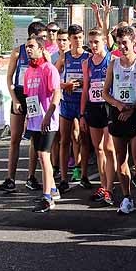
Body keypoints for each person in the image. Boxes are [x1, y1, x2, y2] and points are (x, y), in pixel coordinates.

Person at [104, 25, 136, 215]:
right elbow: (105, 92)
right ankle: (127, 198)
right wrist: (117, 105)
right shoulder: (113, 63)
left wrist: (132, 107)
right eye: (119, 43)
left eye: (125, 43)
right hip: (118, 114)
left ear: (133, 42)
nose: (122, 47)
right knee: (120, 158)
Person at [0, 21, 48, 192]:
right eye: (42, 37)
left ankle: (31, 176)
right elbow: (9, 79)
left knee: (34, 138)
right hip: (19, 95)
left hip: (34, 97)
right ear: (32, 36)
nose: (45, 40)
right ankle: (10, 178)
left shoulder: (44, 53)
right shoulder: (18, 52)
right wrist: (15, 99)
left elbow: (48, 75)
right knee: (15, 138)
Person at [18, 35, 62, 213]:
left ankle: (47, 198)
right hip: (35, 121)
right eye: (27, 47)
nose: (28, 50)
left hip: (48, 121)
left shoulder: (49, 69)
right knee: (40, 156)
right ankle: (52, 188)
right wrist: (29, 118)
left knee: (44, 156)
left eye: (32, 46)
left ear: (41, 49)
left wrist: (48, 115)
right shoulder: (28, 71)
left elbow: (56, 94)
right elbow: (29, 97)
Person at [81, 28, 115, 207]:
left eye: (97, 42)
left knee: (110, 148)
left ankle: (110, 187)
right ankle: (103, 185)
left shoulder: (112, 60)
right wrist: (82, 114)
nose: (93, 46)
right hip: (93, 108)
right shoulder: (87, 63)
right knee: (99, 148)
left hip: (108, 107)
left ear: (104, 42)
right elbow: (86, 89)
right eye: (91, 42)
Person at [56, 24, 88, 194]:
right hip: (67, 103)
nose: (78, 41)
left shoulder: (88, 57)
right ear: (69, 40)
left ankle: (83, 175)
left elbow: (93, 78)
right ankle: (63, 178)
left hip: (82, 102)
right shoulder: (65, 56)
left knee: (83, 139)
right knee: (64, 141)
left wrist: (84, 83)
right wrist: (64, 85)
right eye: (74, 38)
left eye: (80, 38)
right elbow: (53, 78)